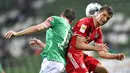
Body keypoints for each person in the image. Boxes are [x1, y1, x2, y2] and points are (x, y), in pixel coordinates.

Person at [4, 8, 76, 73]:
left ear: (62, 14)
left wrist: (17, 33)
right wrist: (41, 44)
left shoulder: (56, 19)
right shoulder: (70, 30)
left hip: (51, 62)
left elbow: (39, 28)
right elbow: (59, 49)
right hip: (60, 64)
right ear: (71, 21)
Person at [66, 5, 125, 73]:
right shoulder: (85, 23)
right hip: (71, 55)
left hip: (81, 54)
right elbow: (77, 44)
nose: (105, 19)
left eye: (108, 18)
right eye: (104, 15)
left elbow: (102, 53)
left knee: (103, 70)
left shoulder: (98, 32)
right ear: (98, 13)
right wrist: (96, 48)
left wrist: (117, 56)